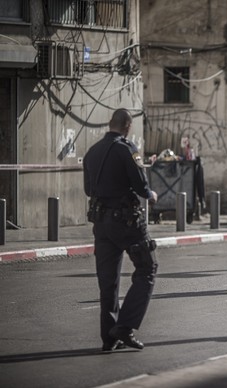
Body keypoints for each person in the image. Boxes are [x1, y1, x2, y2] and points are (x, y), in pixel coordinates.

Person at [83, 108, 159, 351]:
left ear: (110, 123)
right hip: (126, 223)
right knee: (148, 267)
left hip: (101, 224)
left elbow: (88, 189)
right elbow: (140, 185)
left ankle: (109, 338)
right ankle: (125, 327)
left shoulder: (92, 152)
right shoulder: (127, 149)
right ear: (127, 126)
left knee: (108, 282)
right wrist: (150, 194)